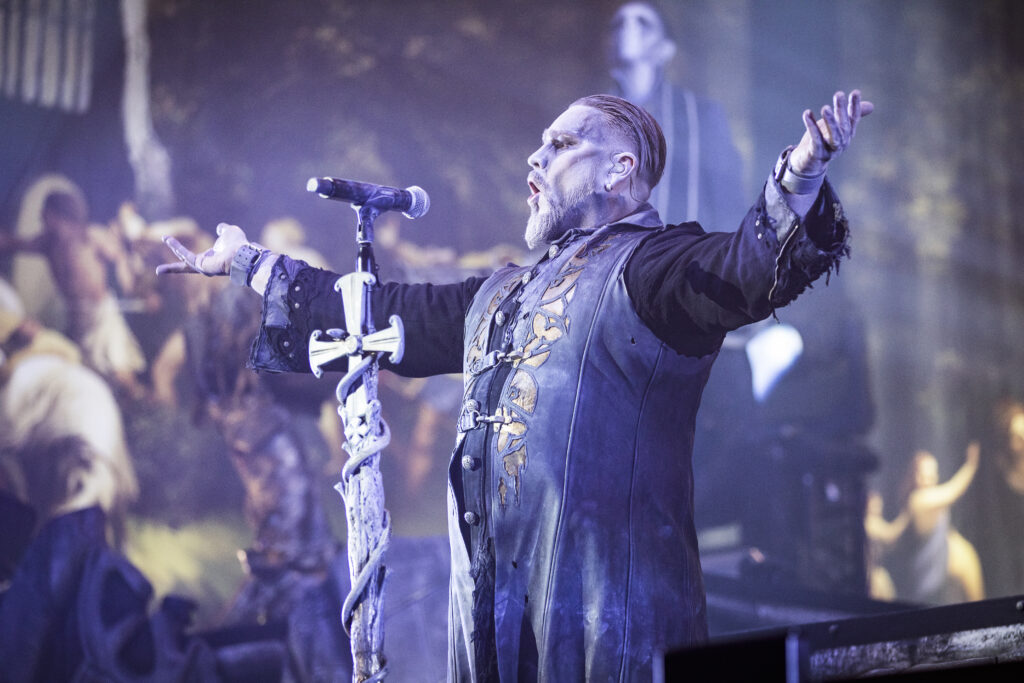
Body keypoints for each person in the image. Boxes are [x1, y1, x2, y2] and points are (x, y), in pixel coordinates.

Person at [159, 89, 871, 681]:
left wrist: (800, 175)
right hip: (498, 619)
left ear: (619, 173)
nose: (536, 157)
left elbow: (746, 267)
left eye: (561, 145)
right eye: (541, 143)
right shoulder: (501, 293)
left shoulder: (653, 270)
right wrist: (252, 264)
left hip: (606, 621)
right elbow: (386, 311)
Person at [608, 1, 747, 229]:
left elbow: (727, 203)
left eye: (642, 22)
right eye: (619, 23)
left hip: (682, 256)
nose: (628, 27)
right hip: (614, 257)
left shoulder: (701, 115)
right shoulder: (590, 118)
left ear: (665, 49)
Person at [886, 444, 985, 604]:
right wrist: (971, 465)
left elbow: (896, 531)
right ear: (915, 475)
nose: (928, 477)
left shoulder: (926, 499)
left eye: (932, 472)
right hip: (930, 573)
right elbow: (953, 491)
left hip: (949, 569)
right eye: (923, 473)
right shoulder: (919, 499)